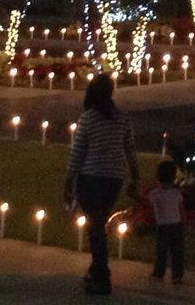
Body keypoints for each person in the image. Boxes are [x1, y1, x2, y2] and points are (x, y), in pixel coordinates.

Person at [64, 75, 139, 297]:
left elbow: (78, 154)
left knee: (95, 228)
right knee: (98, 225)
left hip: (91, 177)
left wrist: (68, 180)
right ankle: (96, 270)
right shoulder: (122, 118)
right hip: (114, 179)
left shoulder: (88, 118)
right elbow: (130, 150)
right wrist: (135, 176)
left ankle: (102, 277)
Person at [148, 159, 185, 286]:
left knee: (161, 251)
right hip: (176, 225)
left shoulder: (155, 193)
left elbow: (147, 203)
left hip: (162, 226)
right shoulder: (177, 193)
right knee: (177, 252)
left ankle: (158, 273)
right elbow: (181, 210)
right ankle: (177, 276)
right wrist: (184, 224)